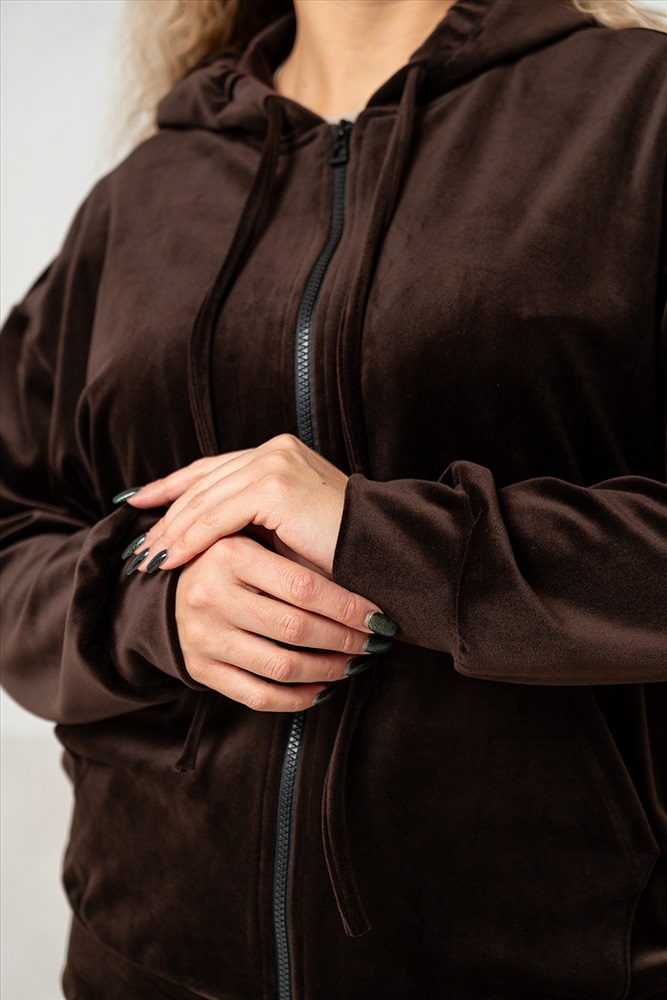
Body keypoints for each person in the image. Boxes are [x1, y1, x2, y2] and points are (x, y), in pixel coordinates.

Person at [1, 0, 666, 996]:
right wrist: (151, 606)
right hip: (145, 965)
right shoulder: (144, 193)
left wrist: (381, 536)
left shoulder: (638, 113)